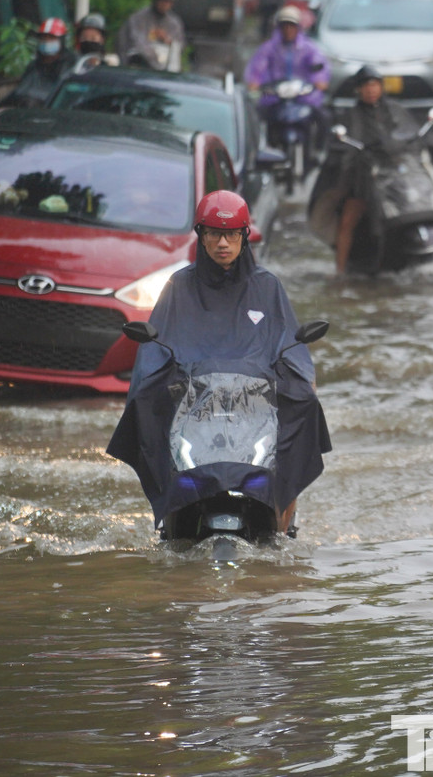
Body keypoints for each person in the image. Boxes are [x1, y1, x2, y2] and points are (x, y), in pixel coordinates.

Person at [106, 190, 330, 536]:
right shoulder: (179, 286)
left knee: (304, 405)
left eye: (231, 234)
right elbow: (157, 347)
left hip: (256, 401)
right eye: (213, 233)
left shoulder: (266, 286)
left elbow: (289, 345)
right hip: (194, 401)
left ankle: (284, 523)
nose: (222, 243)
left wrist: (302, 381)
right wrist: (156, 383)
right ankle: (170, 515)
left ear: (245, 237)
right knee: (145, 403)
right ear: (201, 235)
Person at [328, 65, 433, 275]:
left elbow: (412, 134)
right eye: (366, 86)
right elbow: (341, 147)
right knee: (349, 216)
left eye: (374, 85)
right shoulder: (351, 116)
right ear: (358, 90)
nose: (371, 90)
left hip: (396, 174)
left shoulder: (396, 110)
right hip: (364, 177)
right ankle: (339, 271)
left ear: (381, 87)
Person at [244, 3, 330, 171]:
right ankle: (258, 150)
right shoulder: (269, 48)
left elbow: (319, 66)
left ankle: (319, 152)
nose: (288, 30)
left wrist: (319, 80)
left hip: (303, 98)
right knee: (254, 116)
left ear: (298, 28)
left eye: (292, 26)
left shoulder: (309, 48)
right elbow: (257, 68)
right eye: (285, 26)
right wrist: (255, 82)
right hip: (275, 97)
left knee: (323, 117)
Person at [0, 18, 77, 108]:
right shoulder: (34, 65)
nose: (47, 42)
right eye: (43, 38)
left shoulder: (70, 64)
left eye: (51, 38)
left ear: (61, 41)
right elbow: (19, 91)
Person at [116, 0, 186, 72]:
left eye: (168, 1)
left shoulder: (174, 23)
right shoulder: (138, 18)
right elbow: (137, 45)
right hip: (138, 70)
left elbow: (180, 46)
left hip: (166, 72)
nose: (165, 4)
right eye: (162, 0)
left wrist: (168, 41)